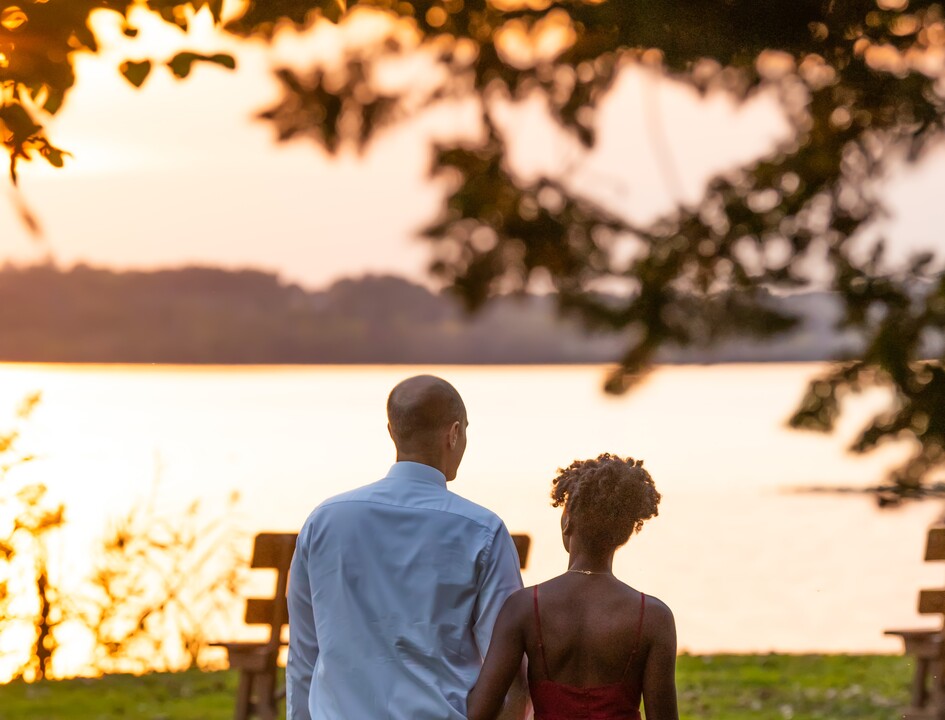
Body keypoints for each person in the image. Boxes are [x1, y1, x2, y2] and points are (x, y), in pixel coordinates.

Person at [286, 375, 530, 720]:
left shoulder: (324, 521)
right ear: (454, 433)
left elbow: (303, 656)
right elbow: (506, 662)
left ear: (392, 431)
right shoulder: (482, 530)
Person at [467, 453, 679, 720]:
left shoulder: (523, 607)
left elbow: (479, 713)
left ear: (567, 521)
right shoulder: (654, 617)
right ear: (624, 534)